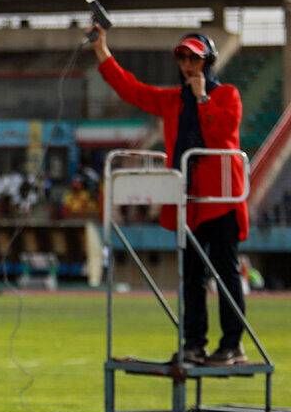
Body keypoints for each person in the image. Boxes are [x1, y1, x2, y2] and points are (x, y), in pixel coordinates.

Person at [91, 25, 248, 365]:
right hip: (188, 201)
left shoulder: (228, 95)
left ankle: (232, 345)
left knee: (225, 271)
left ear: (209, 62)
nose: (189, 64)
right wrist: (102, 51)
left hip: (222, 199)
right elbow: (130, 89)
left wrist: (203, 97)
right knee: (191, 274)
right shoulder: (172, 101)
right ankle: (195, 344)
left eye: (195, 58)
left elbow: (222, 132)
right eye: (183, 58)